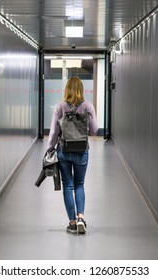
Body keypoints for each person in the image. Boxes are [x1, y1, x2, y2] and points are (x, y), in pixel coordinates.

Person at [47, 77, 98, 234]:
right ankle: (81, 217)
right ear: (81, 89)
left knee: (68, 186)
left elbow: (54, 132)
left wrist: (50, 148)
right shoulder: (88, 106)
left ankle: (72, 222)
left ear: (66, 89)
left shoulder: (60, 107)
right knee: (79, 184)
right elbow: (94, 130)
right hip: (82, 151)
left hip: (64, 151)